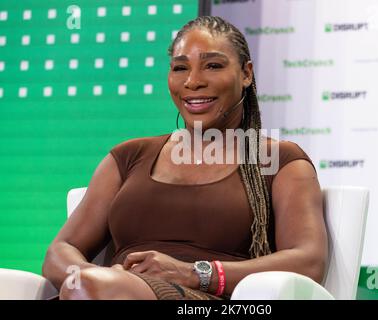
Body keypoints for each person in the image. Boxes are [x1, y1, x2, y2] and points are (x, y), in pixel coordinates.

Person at [42, 16, 328, 300]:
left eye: (213, 66)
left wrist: (194, 273)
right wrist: (82, 280)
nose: (192, 81)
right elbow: (60, 250)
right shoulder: (130, 156)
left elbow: (308, 260)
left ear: (246, 74)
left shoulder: (278, 160)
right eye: (180, 68)